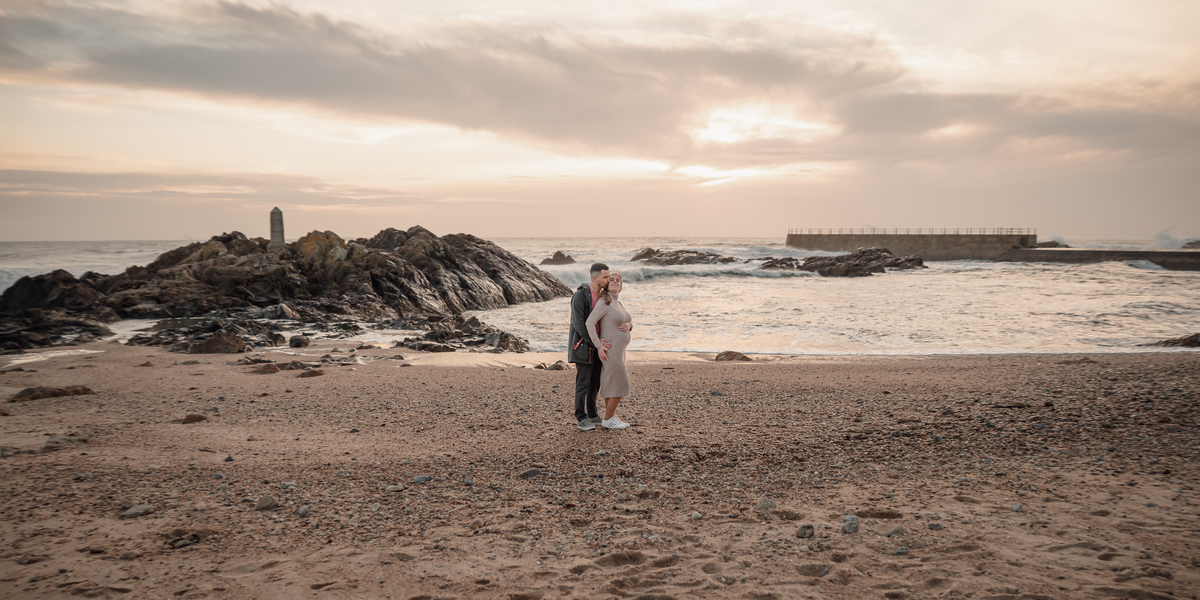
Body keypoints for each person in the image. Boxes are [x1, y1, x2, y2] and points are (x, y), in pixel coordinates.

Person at [585, 271, 633, 429]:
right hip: (610, 352)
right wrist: (598, 345)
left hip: (619, 352)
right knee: (620, 384)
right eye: (611, 280)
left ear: (620, 285)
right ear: (606, 285)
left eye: (617, 280)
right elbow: (589, 323)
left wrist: (630, 325)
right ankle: (607, 419)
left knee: (611, 384)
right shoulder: (604, 302)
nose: (614, 281)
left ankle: (610, 417)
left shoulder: (617, 303)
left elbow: (627, 321)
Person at [569, 263, 610, 431]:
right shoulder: (580, 295)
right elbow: (578, 324)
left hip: (597, 346)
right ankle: (581, 417)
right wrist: (595, 343)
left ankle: (592, 415)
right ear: (595, 278)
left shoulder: (602, 296)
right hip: (583, 346)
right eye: (605, 277)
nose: (608, 280)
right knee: (583, 384)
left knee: (595, 383)